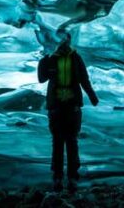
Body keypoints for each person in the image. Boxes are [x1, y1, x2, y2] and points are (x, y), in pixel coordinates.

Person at [37, 32, 99, 193]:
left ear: (70, 40)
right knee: (58, 142)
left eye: (66, 39)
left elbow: (84, 79)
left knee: (71, 141)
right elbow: (41, 79)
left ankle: (72, 177)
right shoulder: (51, 57)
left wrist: (92, 96)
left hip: (72, 107)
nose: (64, 42)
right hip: (56, 106)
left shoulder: (75, 57)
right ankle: (57, 177)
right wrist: (44, 57)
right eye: (61, 39)